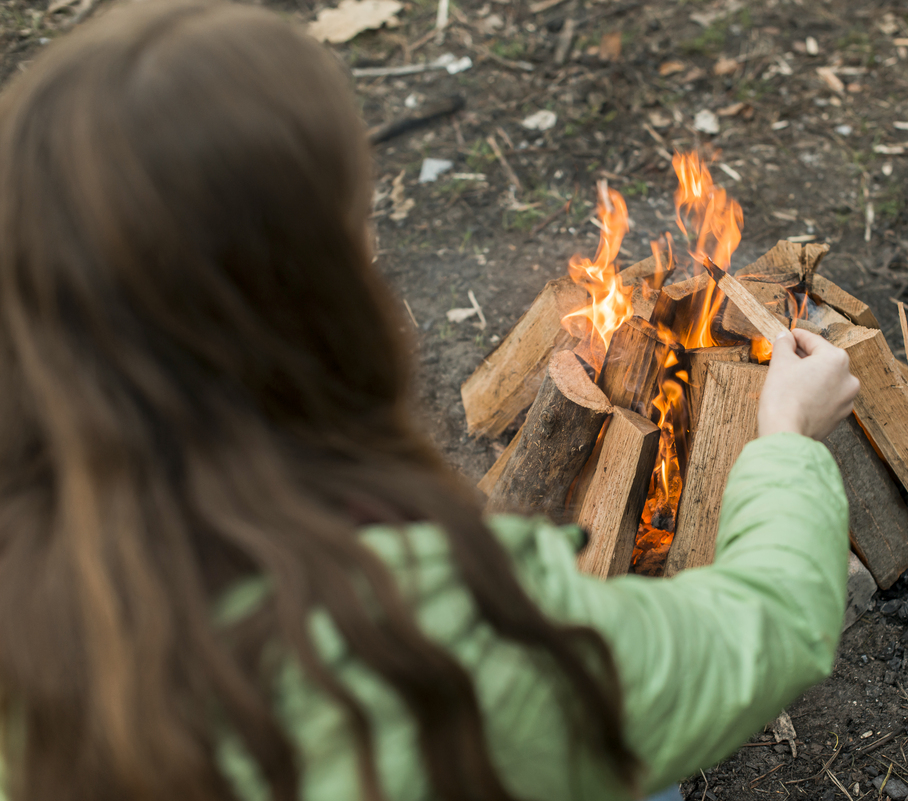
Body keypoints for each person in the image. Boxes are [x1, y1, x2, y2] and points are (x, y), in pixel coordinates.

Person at [0, 2, 860, 800]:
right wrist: (784, 437)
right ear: (302, 292)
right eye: (350, 222)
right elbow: (765, 628)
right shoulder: (420, 634)